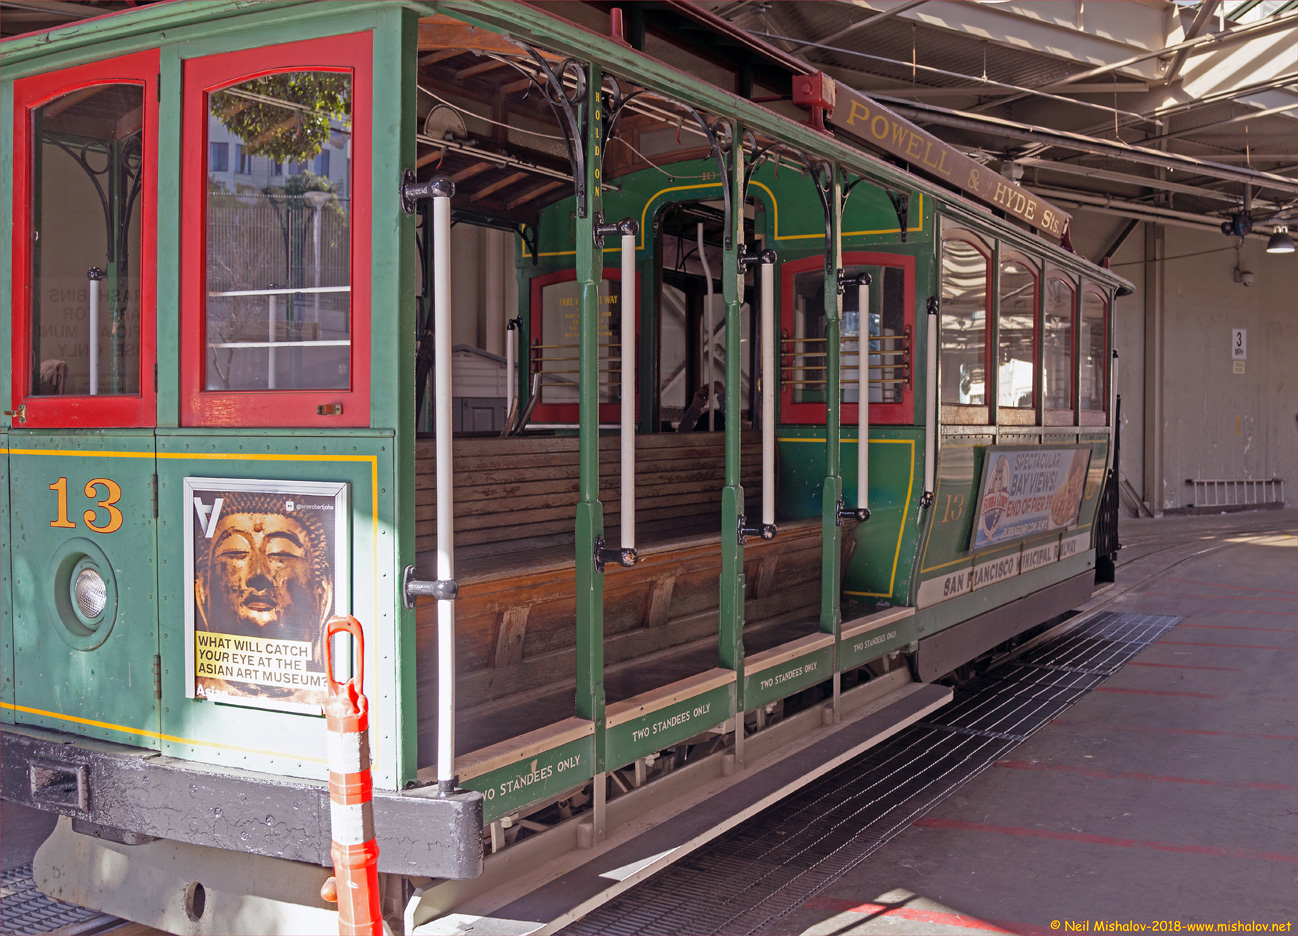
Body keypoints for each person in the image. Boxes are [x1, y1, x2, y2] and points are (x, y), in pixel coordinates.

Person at [194, 491, 333, 703]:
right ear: (202, 591)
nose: (258, 573)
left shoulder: (329, 701)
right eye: (235, 553)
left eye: (282, 555)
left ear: (323, 594)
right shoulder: (200, 692)